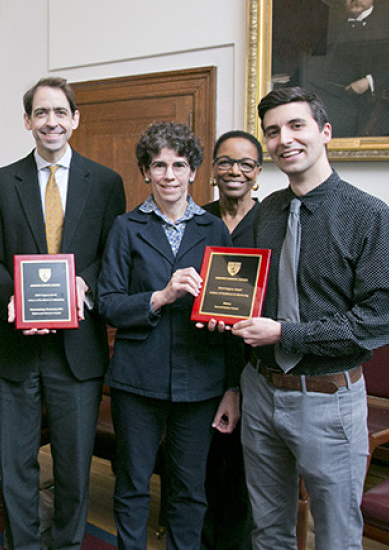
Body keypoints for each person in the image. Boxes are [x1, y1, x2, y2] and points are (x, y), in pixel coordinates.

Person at [232, 86, 389, 550]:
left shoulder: (370, 216)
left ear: (325, 132)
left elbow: (375, 321)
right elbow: (241, 287)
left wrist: (286, 333)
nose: (285, 139)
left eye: (296, 126)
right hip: (259, 391)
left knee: (337, 534)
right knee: (268, 530)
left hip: (328, 399)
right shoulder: (266, 213)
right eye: (273, 131)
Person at [0, 77, 126, 549]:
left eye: (60, 112)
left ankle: (66, 544)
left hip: (76, 350)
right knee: (16, 464)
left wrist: (88, 284)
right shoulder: (0, 184)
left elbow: (113, 256)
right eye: (41, 113)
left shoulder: (105, 183)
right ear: (27, 121)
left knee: (74, 465)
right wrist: (11, 300)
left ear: (75, 119)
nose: (51, 121)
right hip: (14, 348)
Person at [98, 122, 242, 550]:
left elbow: (232, 313)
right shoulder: (126, 227)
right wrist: (160, 296)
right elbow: (108, 304)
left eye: (179, 164)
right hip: (137, 378)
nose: (169, 175)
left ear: (194, 170)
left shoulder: (215, 231)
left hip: (200, 380)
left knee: (189, 489)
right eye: (158, 165)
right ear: (145, 171)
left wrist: (231, 380)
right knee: (133, 484)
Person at [200, 130, 264, 550]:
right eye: (225, 162)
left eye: (245, 163)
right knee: (201, 468)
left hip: (253, 364)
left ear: (258, 173)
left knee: (243, 474)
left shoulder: (272, 220)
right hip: (199, 359)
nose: (234, 171)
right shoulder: (198, 219)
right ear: (213, 170)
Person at [310, 0, 389, 136]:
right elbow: (316, 66)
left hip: (375, 107)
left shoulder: (385, 26)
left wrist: (369, 81)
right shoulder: (333, 31)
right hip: (337, 105)